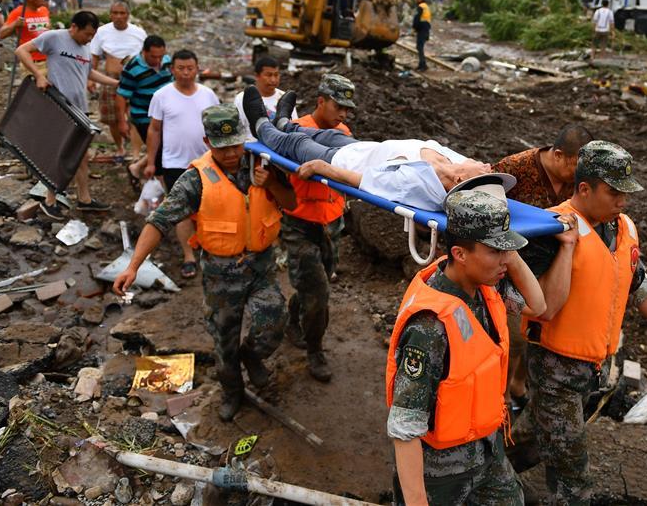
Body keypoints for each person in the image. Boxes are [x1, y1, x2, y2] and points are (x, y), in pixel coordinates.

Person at [518, 140, 647, 504]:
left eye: (626, 193)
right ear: (584, 189)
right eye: (614, 192)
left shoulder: (622, 228)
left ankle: (476, 468)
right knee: (574, 480)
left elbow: (638, 284)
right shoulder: (550, 230)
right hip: (554, 368)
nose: (623, 201)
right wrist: (565, 248)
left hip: (592, 368)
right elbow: (538, 306)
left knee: (536, 439)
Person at [112, 105, 296, 422]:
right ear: (208, 143)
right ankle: (233, 392)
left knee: (273, 320)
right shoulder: (195, 180)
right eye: (223, 148)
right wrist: (133, 266)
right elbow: (159, 222)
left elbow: (291, 203)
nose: (231, 153)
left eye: (237, 145)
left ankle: (251, 355)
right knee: (224, 342)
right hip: (220, 274)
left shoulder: (263, 164)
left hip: (260, 267)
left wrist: (272, 185)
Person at [386, 182, 550, 505]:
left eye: (507, 250)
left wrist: (505, 251)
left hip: (487, 452)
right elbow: (405, 428)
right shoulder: (429, 327)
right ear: (459, 254)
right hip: (441, 474)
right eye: (495, 251)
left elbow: (538, 305)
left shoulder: (487, 286)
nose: (505, 260)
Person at [242, 86, 491, 212]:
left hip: (343, 163)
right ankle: (284, 122)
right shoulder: (455, 162)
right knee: (323, 133)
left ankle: (261, 124)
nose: (485, 165)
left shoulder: (419, 185)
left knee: (296, 145)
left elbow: (365, 181)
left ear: (461, 179)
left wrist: (323, 168)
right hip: (365, 149)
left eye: (482, 170)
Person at [494, 124, 594, 412]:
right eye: (576, 168)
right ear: (559, 155)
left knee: (542, 334)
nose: (579, 178)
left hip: (553, 263)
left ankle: (519, 384)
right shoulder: (515, 170)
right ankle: (502, 398)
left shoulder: (578, 181)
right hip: (512, 265)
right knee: (514, 338)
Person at [280, 74, 356, 382]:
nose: (343, 115)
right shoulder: (296, 132)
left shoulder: (344, 133)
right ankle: (315, 350)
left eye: (348, 110)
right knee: (319, 292)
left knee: (315, 283)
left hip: (331, 222)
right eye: (339, 107)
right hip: (299, 222)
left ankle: (294, 319)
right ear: (320, 101)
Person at [16, 11, 119, 219]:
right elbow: (21, 50)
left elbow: (88, 72)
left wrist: (115, 83)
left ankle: (85, 199)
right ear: (74, 27)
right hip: (58, 106)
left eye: (92, 35)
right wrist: (38, 76)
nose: (89, 39)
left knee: (81, 156)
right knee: (59, 153)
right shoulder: (54, 37)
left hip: (80, 108)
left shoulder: (85, 47)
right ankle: (50, 200)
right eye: (87, 34)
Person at [144, 49, 220, 279]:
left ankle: (212, 248)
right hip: (174, 163)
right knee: (182, 211)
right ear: (172, 70)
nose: (186, 73)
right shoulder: (161, 96)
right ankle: (189, 255)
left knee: (210, 206)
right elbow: (154, 130)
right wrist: (150, 162)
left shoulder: (208, 95)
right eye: (181, 68)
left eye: (190, 68)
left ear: (197, 69)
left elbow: (217, 128)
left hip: (206, 161)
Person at [90, 0, 147, 160]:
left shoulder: (139, 32)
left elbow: (146, 56)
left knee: (136, 114)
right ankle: (120, 148)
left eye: (122, 13)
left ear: (128, 15)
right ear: (110, 15)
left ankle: (135, 152)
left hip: (136, 79)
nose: (118, 17)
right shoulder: (102, 32)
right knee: (112, 117)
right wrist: (90, 79)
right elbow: (94, 55)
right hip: (110, 78)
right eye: (115, 13)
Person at [116, 34, 173, 186]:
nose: (158, 61)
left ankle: (136, 167)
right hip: (144, 115)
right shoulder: (133, 68)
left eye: (161, 56)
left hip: (167, 113)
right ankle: (162, 187)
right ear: (145, 52)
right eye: (154, 57)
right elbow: (122, 95)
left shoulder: (167, 62)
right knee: (159, 150)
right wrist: (122, 121)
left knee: (168, 145)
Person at [233, 55, 295, 142]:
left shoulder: (285, 98)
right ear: (257, 76)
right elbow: (238, 129)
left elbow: (293, 126)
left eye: (276, 75)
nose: (273, 80)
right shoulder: (242, 98)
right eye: (269, 75)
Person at [0, 0, 51, 77]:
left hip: (48, 61)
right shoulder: (18, 12)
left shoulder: (44, 10)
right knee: (32, 91)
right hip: (31, 63)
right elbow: (2, 34)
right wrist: (15, 24)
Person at [412, 0, 431, 72]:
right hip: (425, 27)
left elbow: (417, 18)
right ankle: (421, 64)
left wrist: (414, 28)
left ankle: (423, 65)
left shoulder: (420, 6)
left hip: (422, 27)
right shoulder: (425, 6)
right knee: (419, 46)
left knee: (419, 46)